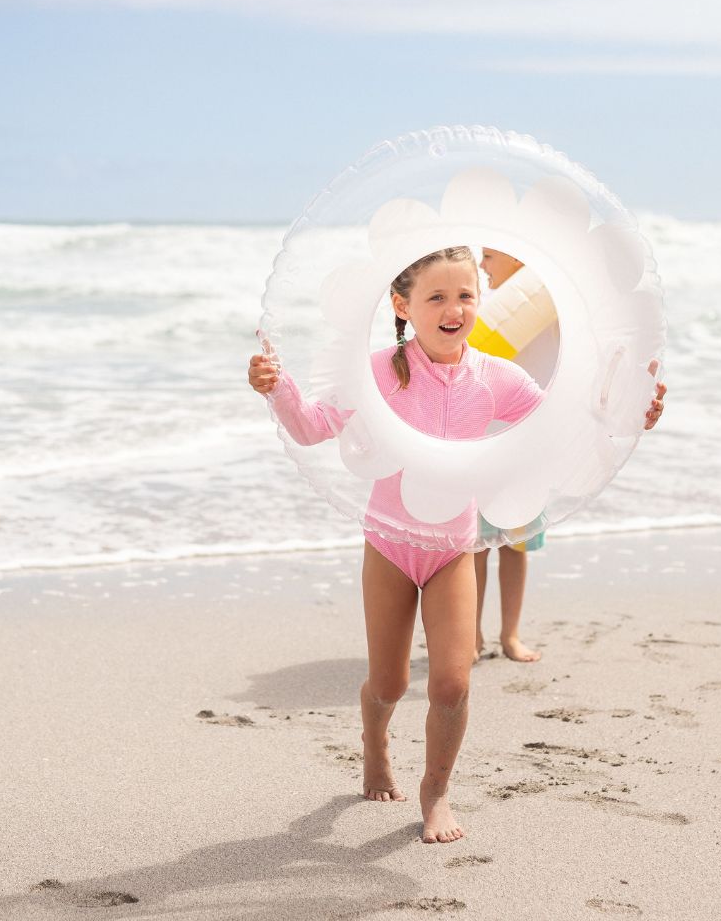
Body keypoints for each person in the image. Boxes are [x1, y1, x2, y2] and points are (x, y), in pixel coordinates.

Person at [248, 246, 666, 844]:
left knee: (453, 683)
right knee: (389, 684)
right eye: (436, 297)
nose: (453, 309)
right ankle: (375, 742)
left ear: (479, 300)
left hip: (453, 549)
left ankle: (436, 792)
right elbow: (312, 427)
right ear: (402, 305)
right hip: (390, 544)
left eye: (465, 295)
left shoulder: (496, 376)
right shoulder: (374, 373)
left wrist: (632, 413)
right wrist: (276, 385)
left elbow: (567, 426)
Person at [470, 248, 558, 663]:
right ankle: (470, 635)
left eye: (489, 256)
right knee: (475, 546)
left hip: (525, 446)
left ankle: (510, 634)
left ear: (519, 261)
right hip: (482, 444)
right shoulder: (476, 311)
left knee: (515, 545)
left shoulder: (550, 309)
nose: (482, 265)